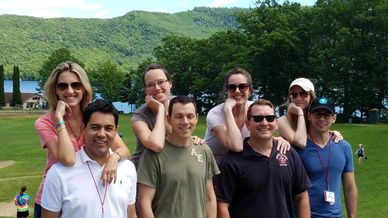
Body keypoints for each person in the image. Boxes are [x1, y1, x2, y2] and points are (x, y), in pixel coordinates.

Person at [34, 61, 130, 218]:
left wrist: (113, 158)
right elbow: (68, 159)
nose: (70, 91)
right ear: (55, 90)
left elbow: (124, 150)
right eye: (63, 86)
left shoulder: (92, 117)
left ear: (84, 88)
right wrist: (59, 119)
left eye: (76, 85)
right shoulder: (45, 123)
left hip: (83, 194)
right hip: (52, 198)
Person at [41, 99, 137, 218]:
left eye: (108, 128)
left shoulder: (128, 168)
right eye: (95, 127)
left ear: (116, 130)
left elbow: (131, 214)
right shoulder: (58, 173)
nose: (102, 134)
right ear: (83, 128)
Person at [215, 99, 311, 218]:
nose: (265, 123)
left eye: (270, 118)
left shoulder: (289, 153)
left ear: (276, 123)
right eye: (258, 118)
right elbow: (222, 206)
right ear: (248, 124)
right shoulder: (231, 160)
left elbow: (302, 196)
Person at [137, 96, 219, 218]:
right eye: (179, 116)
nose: (185, 121)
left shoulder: (204, 150)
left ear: (196, 118)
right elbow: (144, 203)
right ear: (169, 119)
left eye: (190, 116)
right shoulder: (153, 155)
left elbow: (209, 198)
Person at [205, 68, 289, 164]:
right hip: (215, 166)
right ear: (227, 90)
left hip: (242, 165)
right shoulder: (215, 114)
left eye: (242, 86)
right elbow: (236, 146)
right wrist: (228, 110)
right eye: (232, 87)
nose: (237, 91)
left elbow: (264, 128)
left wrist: (277, 140)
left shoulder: (253, 109)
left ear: (250, 89)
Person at [131, 63, 202, 168]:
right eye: (150, 85)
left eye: (161, 82)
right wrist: (160, 109)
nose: (157, 88)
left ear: (170, 83)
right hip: (145, 169)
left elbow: (180, 134)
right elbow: (156, 145)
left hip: (171, 165)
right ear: (145, 90)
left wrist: (192, 139)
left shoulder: (179, 104)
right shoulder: (139, 117)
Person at [298, 97, 358, 217]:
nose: (322, 119)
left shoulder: (344, 147)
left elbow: (350, 188)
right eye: (317, 114)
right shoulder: (299, 147)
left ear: (334, 118)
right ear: (309, 116)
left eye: (327, 115)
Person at [278, 78, 342, 148]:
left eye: (303, 93)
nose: (298, 98)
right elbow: (301, 142)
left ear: (311, 96)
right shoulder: (282, 121)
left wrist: (332, 133)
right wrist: (300, 113)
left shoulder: (314, 118)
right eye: (294, 94)